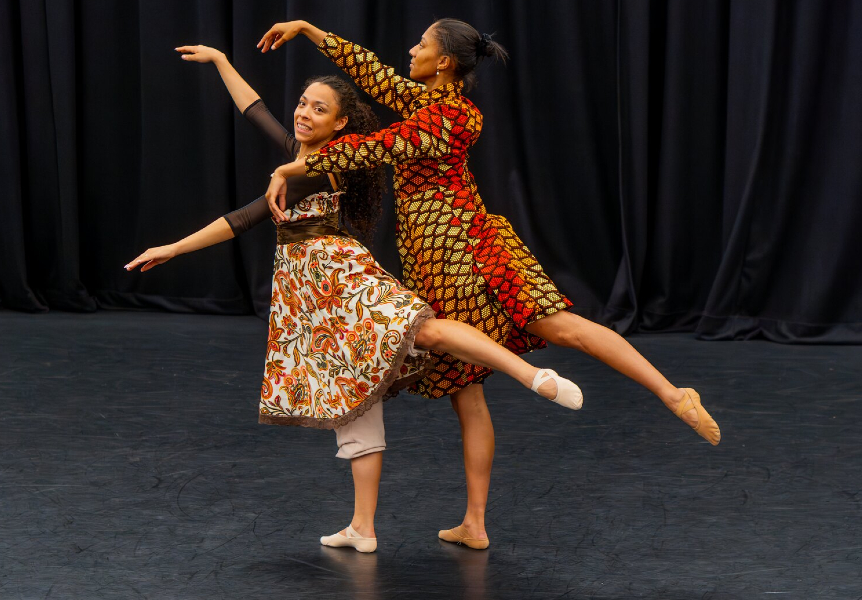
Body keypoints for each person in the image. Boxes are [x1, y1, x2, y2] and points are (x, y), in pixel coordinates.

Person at [258, 19, 721, 550]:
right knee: (468, 391)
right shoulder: (428, 102)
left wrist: (292, 168)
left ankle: (671, 392)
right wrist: (309, 30)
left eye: (422, 45)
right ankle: (474, 524)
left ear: (444, 63)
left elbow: (380, 147)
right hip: (438, 257)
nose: (411, 50)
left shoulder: (451, 115)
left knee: (558, 328)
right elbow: (374, 74)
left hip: (463, 250)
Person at [124, 45, 582, 553]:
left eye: (319, 109)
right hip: (308, 292)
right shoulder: (299, 159)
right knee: (353, 395)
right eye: (302, 103)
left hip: (334, 275)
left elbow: (243, 219)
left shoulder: (318, 168)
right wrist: (221, 62)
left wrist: (172, 247)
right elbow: (253, 109)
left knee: (421, 328)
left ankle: (531, 375)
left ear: (341, 126)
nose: (303, 113)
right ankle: (362, 527)